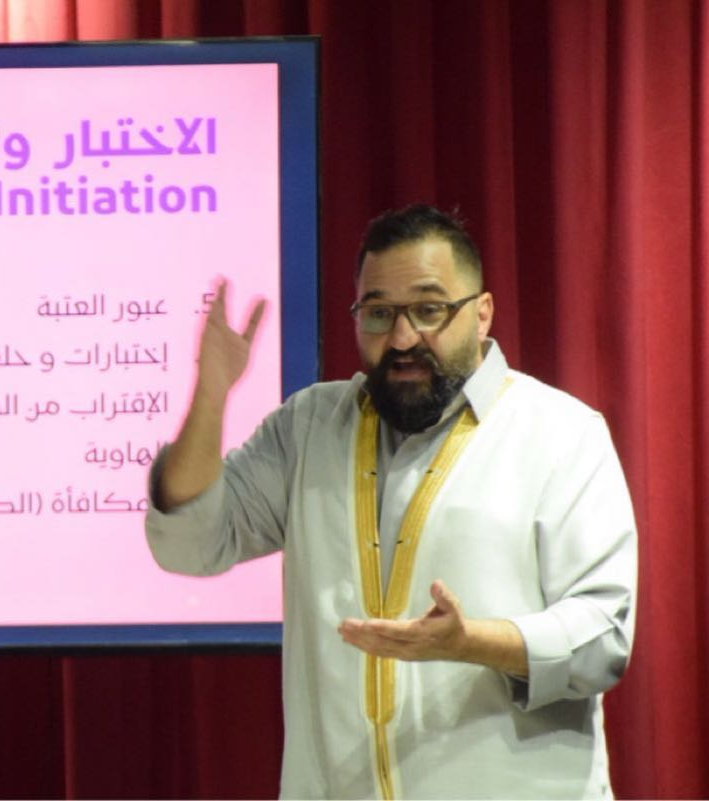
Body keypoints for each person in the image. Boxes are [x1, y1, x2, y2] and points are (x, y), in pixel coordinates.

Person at [145, 204, 637, 799]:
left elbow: (602, 637)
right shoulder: (309, 428)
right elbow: (189, 542)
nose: (402, 339)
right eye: (379, 313)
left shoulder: (559, 433)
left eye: (429, 310)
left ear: (482, 313)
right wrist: (212, 396)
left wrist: (471, 642)